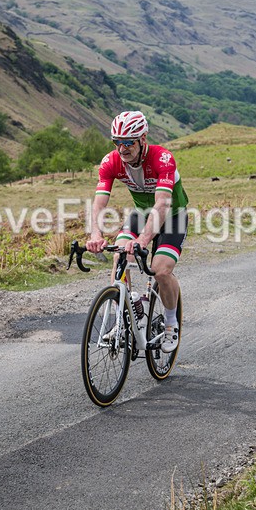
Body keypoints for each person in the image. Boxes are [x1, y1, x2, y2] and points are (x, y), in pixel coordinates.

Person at [86, 111, 189, 352]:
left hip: (173, 216)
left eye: (128, 142)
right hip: (142, 213)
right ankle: (129, 310)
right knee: (120, 255)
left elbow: (162, 205)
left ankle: (171, 323)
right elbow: (99, 203)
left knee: (160, 271)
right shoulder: (110, 162)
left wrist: (143, 240)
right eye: (117, 142)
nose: (122, 148)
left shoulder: (162, 158)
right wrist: (95, 235)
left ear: (143, 139)